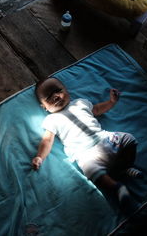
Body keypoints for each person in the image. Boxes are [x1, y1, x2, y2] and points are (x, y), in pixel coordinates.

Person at [31, 77, 141, 210]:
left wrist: (111, 102)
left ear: (67, 91)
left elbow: (97, 109)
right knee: (91, 171)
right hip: (85, 154)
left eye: (58, 90)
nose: (56, 96)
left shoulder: (80, 103)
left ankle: (125, 167)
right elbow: (47, 140)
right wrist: (40, 157)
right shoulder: (51, 120)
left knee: (129, 139)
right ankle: (117, 187)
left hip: (105, 139)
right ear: (44, 107)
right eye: (49, 96)